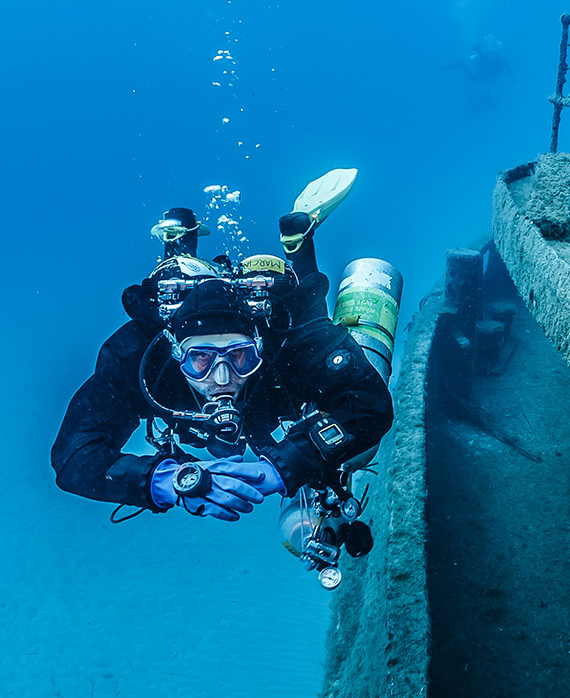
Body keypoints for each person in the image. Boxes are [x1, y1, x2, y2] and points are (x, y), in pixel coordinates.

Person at [51, 175, 393, 535]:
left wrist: (286, 463)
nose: (223, 378)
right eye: (201, 360)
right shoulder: (142, 361)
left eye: (241, 357)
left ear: (259, 345)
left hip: (277, 371)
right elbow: (72, 456)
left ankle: (300, 242)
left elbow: (369, 404)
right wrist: (164, 479)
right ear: (175, 351)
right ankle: (179, 243)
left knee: (308, 311)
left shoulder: (283, 342)